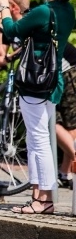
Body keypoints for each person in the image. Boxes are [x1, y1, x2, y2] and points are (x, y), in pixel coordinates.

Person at [0, 0, 76, 214]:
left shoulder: (45, 11)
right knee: (37, 137)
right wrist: (22, 2)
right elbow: (37, 25)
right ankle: (38, 195)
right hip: (53, 81)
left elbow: (12, 31)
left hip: (35, 81)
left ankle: (45, 200)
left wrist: (3, 5)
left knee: (39, 139)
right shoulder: (67, 10)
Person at [54, 42, 76, 189]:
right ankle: (65, 173)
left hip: (70, 71)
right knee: (68, 123)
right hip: (54, 74)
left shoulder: (28, 23)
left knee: (67, 122)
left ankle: (70, 165)